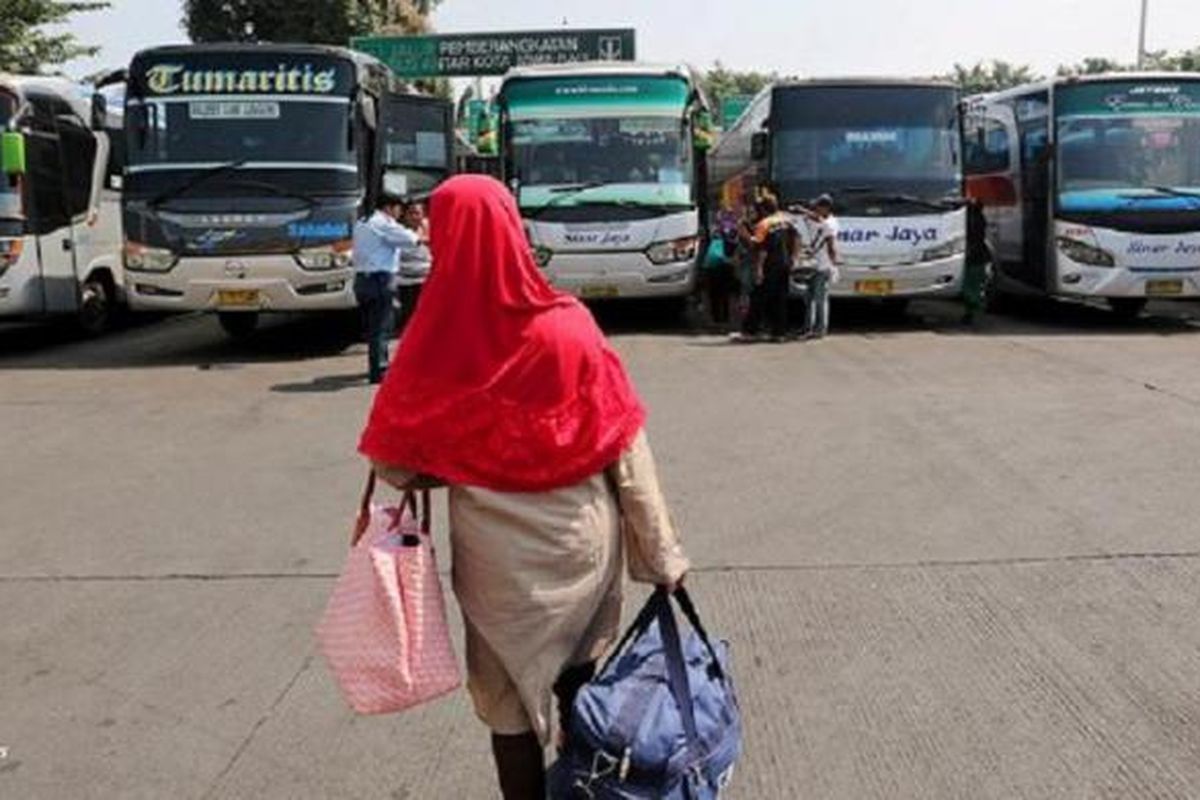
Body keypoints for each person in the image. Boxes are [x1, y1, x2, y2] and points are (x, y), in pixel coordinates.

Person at [357, 175, 690, 800]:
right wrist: (663, 555)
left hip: (495, 566)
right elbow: (626, 450)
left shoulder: (434, 341)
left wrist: (467, 457)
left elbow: (394, 466)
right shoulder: (570, 327)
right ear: (514, 230)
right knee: (583, 684)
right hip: (581, 545)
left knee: (507, 705)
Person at [352, 194, 421, 384]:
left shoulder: (363, 222)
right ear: (389, 208)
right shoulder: (384, 223)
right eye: (399, 209)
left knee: (372, 328)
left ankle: (376, 366)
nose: (400, 214)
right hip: (380, 280)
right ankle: (379, 371)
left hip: (361, 280)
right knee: (381, 328)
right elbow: (412, 239)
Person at [732, 192, 797, 343]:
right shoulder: (787, 220)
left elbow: (760, 248)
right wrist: (793, 258)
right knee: (780, 299)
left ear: (764, 210)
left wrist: (744, 234)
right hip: (785, 264)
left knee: (758, 298)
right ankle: (779, 333)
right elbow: (796, 240)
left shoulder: (764, 224)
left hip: (770, 265)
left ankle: (749, 331)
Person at [795, 194, 840, 339]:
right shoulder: (815, 220)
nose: (815, 209)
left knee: (820, 299)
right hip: (811, 265)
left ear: (826, 208)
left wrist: (834, 264)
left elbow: (832, 246)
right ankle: (808, 328)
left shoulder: (831, 223)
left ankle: (820, 329)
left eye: (818, 206)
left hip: (823, 267)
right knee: (809, 299)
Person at [395, 201, 433, 331]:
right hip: (405, 280)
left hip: (426, 278)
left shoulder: (429, 227)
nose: (414, 217)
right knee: (409, 312)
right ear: (405, 215)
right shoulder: (398, 231)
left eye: (417, 213)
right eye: (411, 213)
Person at [961, 197, 992, 325]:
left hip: (971, 256)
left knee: (969, 285)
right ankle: (975, 306)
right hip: (979, 256)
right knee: (977, 282)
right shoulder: (980, 218)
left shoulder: (968, 219)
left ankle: (973, 306)